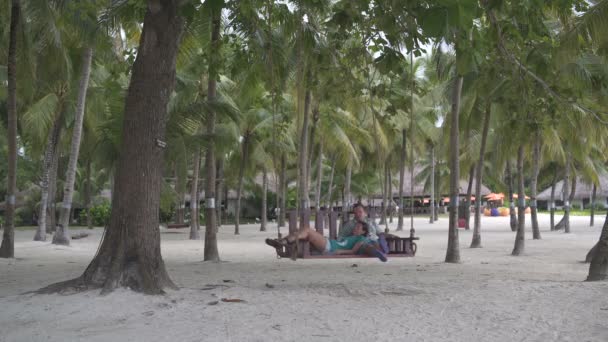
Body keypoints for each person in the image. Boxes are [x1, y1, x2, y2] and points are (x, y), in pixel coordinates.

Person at [266, 220, 387, 262]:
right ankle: (282, 243)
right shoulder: (351, 237)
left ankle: (283, 242)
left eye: (358, 227)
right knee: (302, 233)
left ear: (363, 231)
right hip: (329, 244)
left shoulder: (361, 238)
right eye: (355, 227)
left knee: (307, 230)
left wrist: (340, 252)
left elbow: (357, 249)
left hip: (330, 246)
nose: (355, 228)